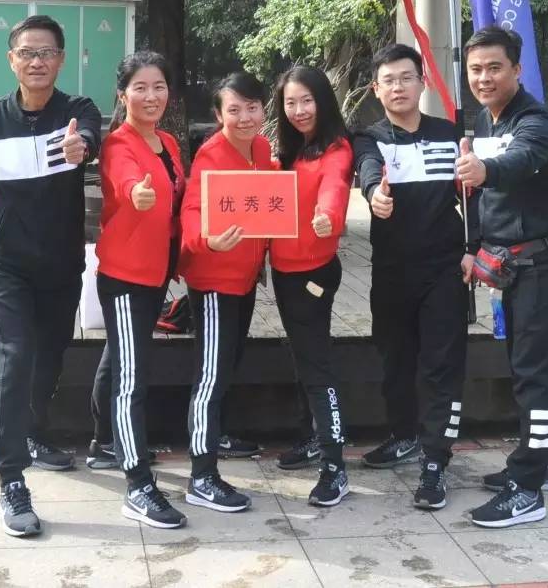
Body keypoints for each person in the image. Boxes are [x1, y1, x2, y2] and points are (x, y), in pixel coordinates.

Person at [0, 14, 102, 537]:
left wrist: (82, 147)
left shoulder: (77, 111)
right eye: (27, 52)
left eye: (46, 52)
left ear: (61, 60)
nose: (36, 61)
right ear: (11, 60)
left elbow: (90, 138)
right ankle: (12, 478)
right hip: (5, 264)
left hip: (61, 263)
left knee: (50, 356)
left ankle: (36, 432)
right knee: (13, 359)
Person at [453, 26, 548, 529]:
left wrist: (484, 170)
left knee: (537, 372)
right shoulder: (485, 121)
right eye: (476, 70)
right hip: (511, 264)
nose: (483, 78)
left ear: (516, 70)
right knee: (526, 365)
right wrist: (473, 249)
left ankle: (527, 488)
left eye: (494, 67)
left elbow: (518, 162)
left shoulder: (538, 122)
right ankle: (540, 462)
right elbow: (481, 200)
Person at [352, 44, 472, 510]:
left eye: (406, 77)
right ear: (375, 89)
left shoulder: (450, 134)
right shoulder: (370, 138)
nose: (398, 87)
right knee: (395, 360)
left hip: (445, 270)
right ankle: (404, 436)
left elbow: (474, 198)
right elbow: (368, 171)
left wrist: (475, 248)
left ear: (422, 82)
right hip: (392, 271)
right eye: (389, 80)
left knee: (442, 365)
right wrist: (373, 195)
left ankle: (435, 461)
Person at [91, 51, 189, 529]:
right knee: (132, 375)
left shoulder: (167, 141)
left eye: (159, 87)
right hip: (126, 276)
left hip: (156, 272)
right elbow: (128, 181)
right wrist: (137, 193)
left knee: (119, 359)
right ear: (122, 94)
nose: (151, 96)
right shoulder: (117, 144)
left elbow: (180, 202)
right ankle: (138, 484)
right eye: (141, 88)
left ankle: (105, 443)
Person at [176, 71, 275, 514]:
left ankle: (216, 435)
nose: (245, 117)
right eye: (234, 110)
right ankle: (202, 475)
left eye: (252, 107)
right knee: (211, 375)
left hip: (245, 278)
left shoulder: (262, 149)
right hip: (214, 281)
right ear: (219, 115)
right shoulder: (210, 156)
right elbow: (192, 211)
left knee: (229, 363)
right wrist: (207, 240)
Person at [269, 65, 354, 506]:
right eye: (290, 102)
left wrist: (329, 218)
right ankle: (314, 438)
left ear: (323, 101)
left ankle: (335, 466)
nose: (299, 110)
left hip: (312, 275)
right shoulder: (289, 150)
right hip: (284, 272)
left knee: (317, 366)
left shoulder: (336, 148)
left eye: (307, 100)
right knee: (303, 359)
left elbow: (334, 189)